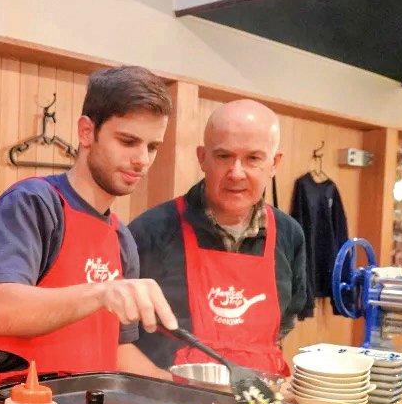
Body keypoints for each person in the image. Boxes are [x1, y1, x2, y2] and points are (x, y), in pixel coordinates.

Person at [0, 66, 179, 404]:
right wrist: (102, 292)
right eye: (128, 141)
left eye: (152, 147)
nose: (141, 159)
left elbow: (119, 351)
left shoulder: (122, 239)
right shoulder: (35, 203)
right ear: (86, 132)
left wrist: (189, 391)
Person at [127, 99, 310, 376]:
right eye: (224, 156)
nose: (236, 173)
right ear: (202, 158)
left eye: (253, 159)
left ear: (274, 163)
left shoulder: (290, 234)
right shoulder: (151, 230)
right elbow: (119, 335)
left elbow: (286, 320)